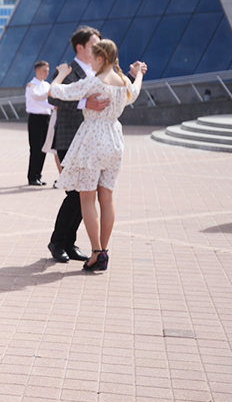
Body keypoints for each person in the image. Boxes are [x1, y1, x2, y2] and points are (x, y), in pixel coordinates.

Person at [49, 40, 145, 271]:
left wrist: (60, 74)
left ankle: (96, 251)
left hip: (93, 139)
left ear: (101, 59)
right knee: (107, 199)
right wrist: (138, 73)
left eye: (92, 57)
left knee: (87, 199)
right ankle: (104, 251)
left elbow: (55, 92)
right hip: (114, 140)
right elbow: (136, 90)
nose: (89, 61)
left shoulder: (93, 82)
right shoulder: (124, 82)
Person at [46, 26, 107, 264]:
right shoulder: (68, 71)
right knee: (75, 194)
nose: (99, 48)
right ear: (80, 47)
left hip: (90, 143)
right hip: (69, 139)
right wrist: (85, 104)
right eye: (94, 44)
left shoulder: (98, 72)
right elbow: (53, 97)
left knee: (84, 195)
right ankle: (58, 242)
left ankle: (68, 242)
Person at [25, 60, 53, 186]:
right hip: (35, 118)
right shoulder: (31, 85)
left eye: (47, 70)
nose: (46, 73)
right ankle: (32, 177)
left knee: (43, 148)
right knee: (35, 148)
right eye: (44, 70)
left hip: (46, 118)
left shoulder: (47, 85)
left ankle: (38, 175)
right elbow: (37, 99)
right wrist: (53, 105)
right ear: (37, 71)